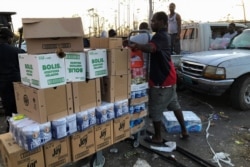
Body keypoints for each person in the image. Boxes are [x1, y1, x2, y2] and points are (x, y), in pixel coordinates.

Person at [125, 11, 189, 144]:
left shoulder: (160, 36)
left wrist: (136, 46)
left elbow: (150, 48)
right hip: (169, 78)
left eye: (154, 21)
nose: (151, 23)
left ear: (162, 22)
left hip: (162, 80)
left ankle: (158, 137)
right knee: (174, 105)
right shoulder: (163, 36)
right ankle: (184, 130)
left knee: (155, 110)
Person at [0, 27, 26, 132]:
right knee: (20, 106)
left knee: (8, 107)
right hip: (17, 83)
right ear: (9, 38)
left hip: (2, 84)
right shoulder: (18, 51)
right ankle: (20, 126)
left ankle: (10, 125)